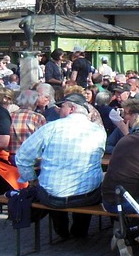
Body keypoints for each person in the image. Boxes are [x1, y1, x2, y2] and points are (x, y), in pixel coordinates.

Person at [16, 93, 108, 239]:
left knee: (52, 186)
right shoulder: (98, 131)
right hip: (87, 197)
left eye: (62, 106)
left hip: (51, 197)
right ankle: (79, 230)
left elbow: (22, 156)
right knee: (91, 182)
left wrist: (32, 179)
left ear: (71, 108)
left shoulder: (51, 127)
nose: (58, 110)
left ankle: (61, 229)